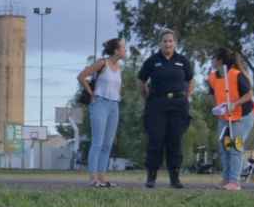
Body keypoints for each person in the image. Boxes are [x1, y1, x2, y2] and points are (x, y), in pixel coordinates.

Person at [136, 29, 195, 188]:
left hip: (178, 104)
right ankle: (151, 177)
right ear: (160, 43)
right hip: (157, 103)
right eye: (164, 41)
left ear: (175, 42)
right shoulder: (152, 61)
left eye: (170, 41)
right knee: (156, 139)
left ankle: (174, 178)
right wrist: (146, 98)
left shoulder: (182, 61)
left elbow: (190, 80)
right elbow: (141, 81)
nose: (167, 44)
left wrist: (186, 97)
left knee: (175, 140)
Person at [207, 46, 254, 191]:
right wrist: (218, 108)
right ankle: (227, 178)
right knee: (223, 146)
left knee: (235, 145)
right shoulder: (212, 77)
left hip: (243, 115)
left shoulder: (236, 75)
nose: (211, 60)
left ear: (219, 61)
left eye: (213, 58)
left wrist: (235, 104)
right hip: (225, 116)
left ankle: (234, 181)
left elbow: (249, 95)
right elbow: (213, 95)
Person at [78, 38, 126, 187]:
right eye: (123, 48)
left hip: (114, 105)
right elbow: (81, 77)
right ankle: (93, 177)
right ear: (116, 51)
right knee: (97, 142)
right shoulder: (102, 63)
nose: (126, 50)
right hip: (100, 104)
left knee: (107, 143)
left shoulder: (119, 66)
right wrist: (92, 94)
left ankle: (102, 176)